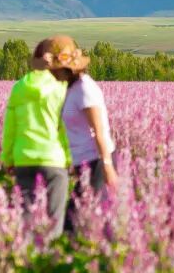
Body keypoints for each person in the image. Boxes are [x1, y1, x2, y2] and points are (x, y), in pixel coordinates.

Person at [0, 36, 87, 238]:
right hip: (53, 161)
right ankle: (49, 260)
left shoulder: (19, 88)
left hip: (23, 160)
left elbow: (10, 129)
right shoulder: (60, 89)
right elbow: (64, 128)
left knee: (26, 219)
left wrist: (8, 159)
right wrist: (69, 158)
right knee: (54, 219)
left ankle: (27, 262)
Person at [62, 47, 118, 232]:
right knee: (86, 215)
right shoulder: (69, 89)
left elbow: (99, 132)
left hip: (97, 162)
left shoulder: (85, 88)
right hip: (83, 162)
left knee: (78, 219)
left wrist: (108, 167)